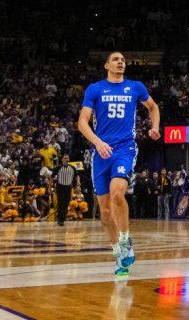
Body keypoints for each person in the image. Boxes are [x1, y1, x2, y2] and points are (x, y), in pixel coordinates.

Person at [77, 51, 161, 278]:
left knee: (117, 193)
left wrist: (155, 127)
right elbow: (82, 122)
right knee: (104, 213)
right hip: (101, 152)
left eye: (123, 60)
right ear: (106, 65)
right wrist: (97, 142)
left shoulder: (135, 87)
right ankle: (119, 255)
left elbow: (153, 107)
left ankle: (125, 241)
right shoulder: (95, 89)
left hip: (125, 149)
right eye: (115, 59)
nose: (120, 62)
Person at [54, 154, 75, 226]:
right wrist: (50, 187)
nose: (66, 160)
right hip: (60, 187)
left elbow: (77, 175)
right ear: (62, 159)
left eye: (67, 158)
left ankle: (63, 218)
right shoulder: (58, 168)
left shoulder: (72, 167)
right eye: (65, 158)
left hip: (68, 188)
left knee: (66, 203)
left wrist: (78, 182)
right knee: (60, 203)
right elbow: (51, 176)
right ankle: (60, 220)